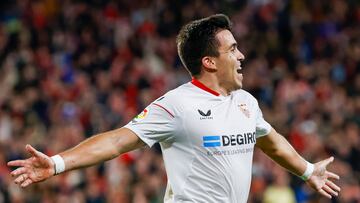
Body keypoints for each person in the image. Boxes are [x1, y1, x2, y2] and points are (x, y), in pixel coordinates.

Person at [8, 14, 340, 203]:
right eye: (233, 50)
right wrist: (57, 162)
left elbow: (269, 138)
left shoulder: (245, 102)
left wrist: (308, 171)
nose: (241, 56)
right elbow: (117, 140)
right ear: (209, 62)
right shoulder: (178, 105)